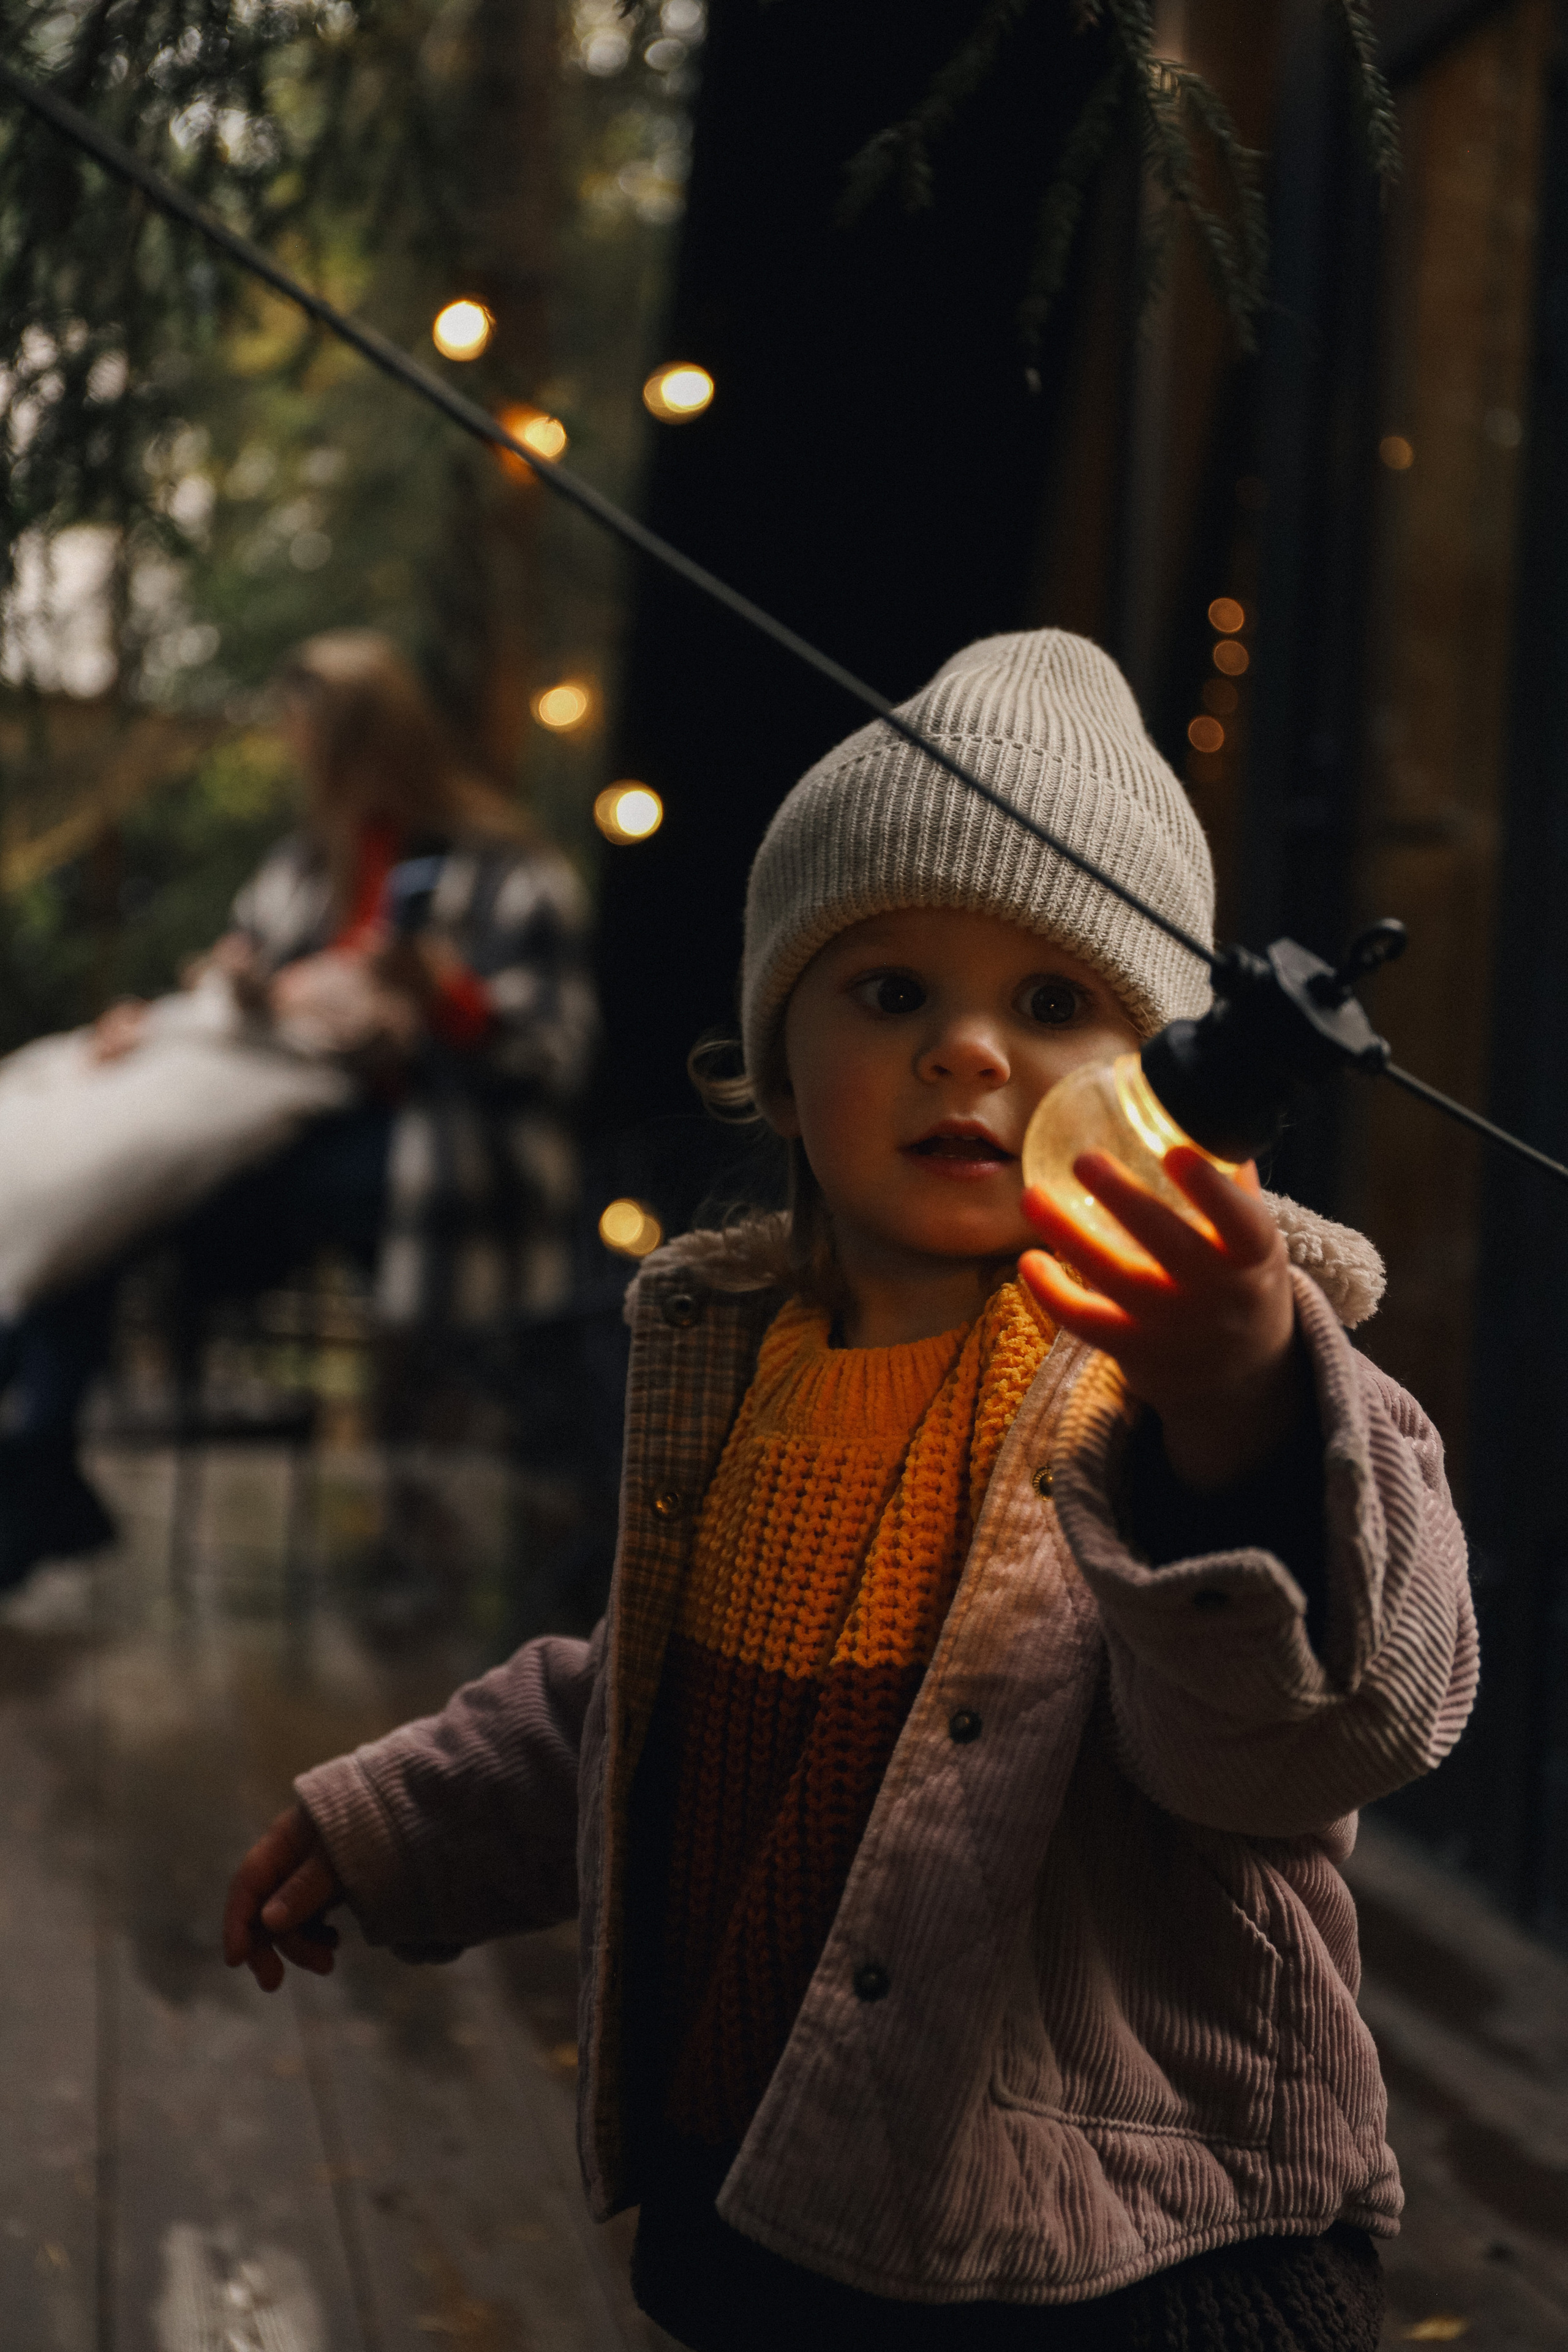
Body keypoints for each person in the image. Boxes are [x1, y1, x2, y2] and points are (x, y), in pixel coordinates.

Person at [223, 631, 1474, 2351]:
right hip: (779, 2215)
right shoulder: (747, 1356)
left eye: (1053, 1005)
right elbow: (650, 1708)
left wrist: (1231, 1401)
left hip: (1137, 2262)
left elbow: (1321, 1727)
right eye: (890, 993)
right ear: (775, 1063)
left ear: (1162, 1082)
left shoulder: (1212, 1367)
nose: (967, 1051)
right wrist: (404, 1819)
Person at [0, 629, 596, 1584]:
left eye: (317, 737)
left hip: (439, 1142)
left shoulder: (506, 871)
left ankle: (40, 1466)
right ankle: (41, 1457)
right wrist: (188, 1004)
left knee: (137, 1191)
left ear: (373, 739)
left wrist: (445, 997)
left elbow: (552, 1057)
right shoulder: (306, 865)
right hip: (288, 1123)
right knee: (106, 1181)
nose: (301, 756)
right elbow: (243, 987)